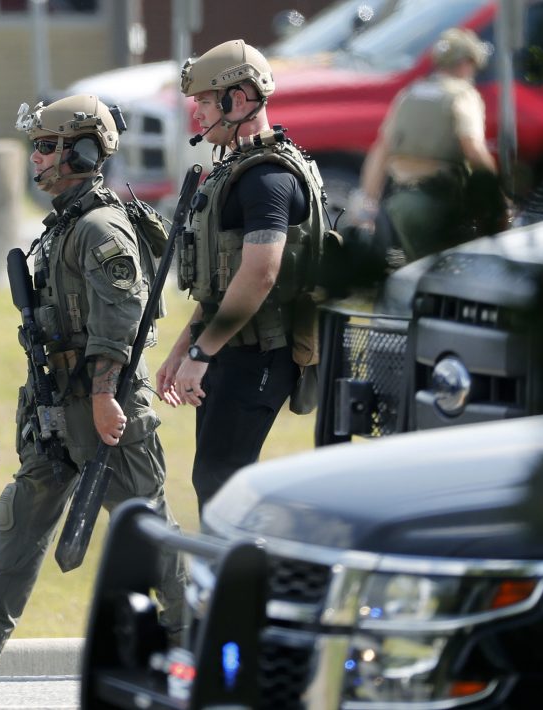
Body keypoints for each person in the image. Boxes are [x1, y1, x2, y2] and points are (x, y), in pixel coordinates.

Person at [0, 94, 186, 675]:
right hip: (62, 402)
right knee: (27, 508)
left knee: (145, 525)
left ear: (80, 151)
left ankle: (198, 631)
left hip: (102, 404)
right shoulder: (66, 223)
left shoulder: (99, 227)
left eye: (44, 147)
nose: (34, 159)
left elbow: (122, 316)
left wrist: (107, 396)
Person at [157, 39, 325, 512]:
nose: (198, 114)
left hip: (259, 354)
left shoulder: (266, 178)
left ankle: (252, 581)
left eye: (206, 102)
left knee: (224, 486)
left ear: (239, 99)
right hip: (232, 349)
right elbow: (222, 281)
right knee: (214, 482)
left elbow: (259, 273)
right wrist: (182, 351)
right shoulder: (239, 168)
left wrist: (199, 353)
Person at [355, 28, 499, 262]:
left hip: (401, 203)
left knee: (416, 268)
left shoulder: (410, 94)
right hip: (441, 201)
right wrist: (497, 197)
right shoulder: (462, 95)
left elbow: (382, 149)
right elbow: (473, 148)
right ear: (465, 63)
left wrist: (367, 203)